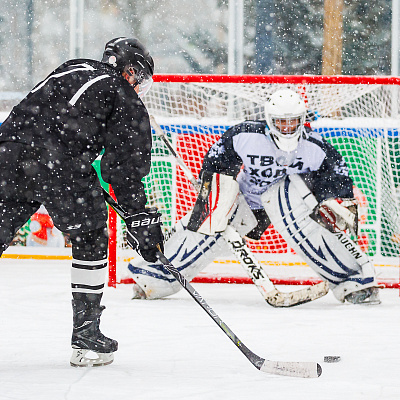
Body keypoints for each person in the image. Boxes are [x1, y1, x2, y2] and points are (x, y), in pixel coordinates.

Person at [128, 89, 381, 305]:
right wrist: (213, 187)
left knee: (299, 210)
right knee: (208, 228)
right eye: (281, 122)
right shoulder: (247, 135)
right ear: (270, 120)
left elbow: (337, 178)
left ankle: (353, 282)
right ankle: (155, 279)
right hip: (247, 204)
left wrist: (333, 199)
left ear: (302, 120)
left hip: (289, 204)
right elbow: (217, 161)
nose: (287, 127)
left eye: (293, 121)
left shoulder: (316, 147)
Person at [0, 37, 163, 367]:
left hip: (7, 154)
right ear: (131, 70)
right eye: (140, 78)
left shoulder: (71, 66)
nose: (139, 87)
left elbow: (41, 114)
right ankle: (86, 335)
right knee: (90, 239)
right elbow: (124, 170)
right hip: (58, 168)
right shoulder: (124, 97)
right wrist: (138, 217)